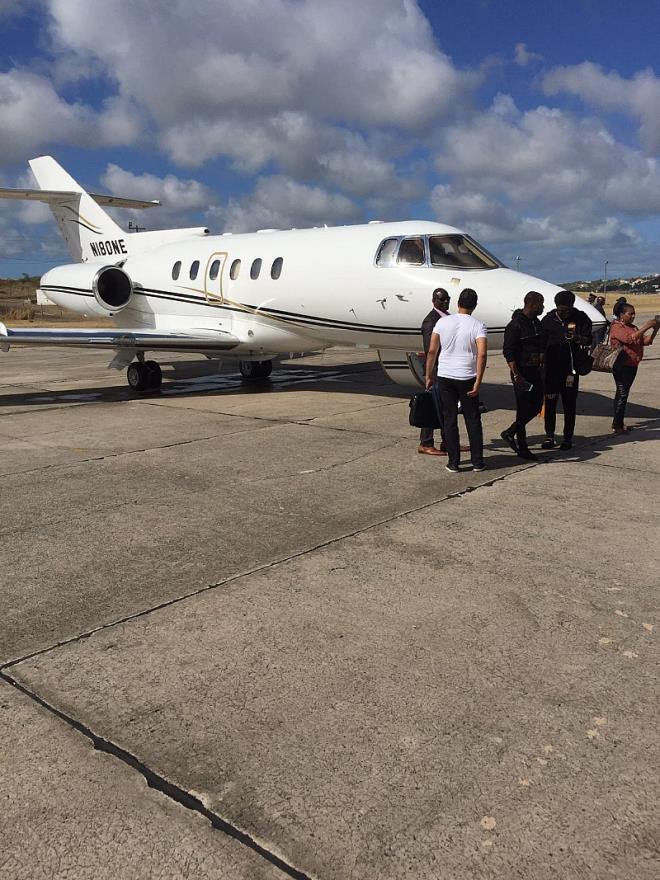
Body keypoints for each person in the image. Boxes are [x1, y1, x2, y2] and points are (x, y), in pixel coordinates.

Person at [425, 288, 487, 473]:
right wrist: (478, 380)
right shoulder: (478, 325)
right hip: (467, 376)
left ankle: (454, 462)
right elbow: (482, 354)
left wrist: (428, 375)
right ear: (475, 306)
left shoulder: (442, 322)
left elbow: (432, 351)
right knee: (472, 419)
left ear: (458, 303)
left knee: (449, 419)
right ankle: (477, 462)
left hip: (445, 376)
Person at [540, 289, 592, 450]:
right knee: (550, 403)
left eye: (567, 311)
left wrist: (578, 338)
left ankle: (567, 438)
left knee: (569, 404)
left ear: (572, 306)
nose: (563, 314)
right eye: (560, 310)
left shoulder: (581, 318)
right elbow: (540, 342)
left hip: (570, 370)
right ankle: (549, 436)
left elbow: (589, 339)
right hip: (551, 369)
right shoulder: (548, 320)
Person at [501, 291, 545, 460]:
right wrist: (516, 374)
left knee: (536, 406)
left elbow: (540, 343)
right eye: (541, 304)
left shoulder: (536, 323)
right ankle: (523, 447)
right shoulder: (515, 325)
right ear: (532, 305)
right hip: (522, 372)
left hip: (535, 370)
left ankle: (510, 432)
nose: (543, 307)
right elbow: (509, 352)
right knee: (523, 408)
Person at [609, 305, 659, 434]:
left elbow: (645, 341)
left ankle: (618, 423)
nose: (633, 316)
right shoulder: (617, 327)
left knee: (622, 393)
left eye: (634, 313)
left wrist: (654, 329)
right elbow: (629, 339)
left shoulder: (633, 327)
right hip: (621, 365)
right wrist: (646, 326)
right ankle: (617, 425)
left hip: (632, 364)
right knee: (622, 393)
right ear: (621, 315)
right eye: (630, 314)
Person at [418, 288, 450, 455]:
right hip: (437, 370)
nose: (445, 302)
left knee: (447, 407)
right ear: (433, 301)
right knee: (431, 406)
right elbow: (430, 350)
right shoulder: (431, 321)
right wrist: (430, 374)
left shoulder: (447, 317)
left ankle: (448, 442)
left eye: (447, 299)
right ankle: (426, 443)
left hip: (446, 370)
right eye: (441, 299)